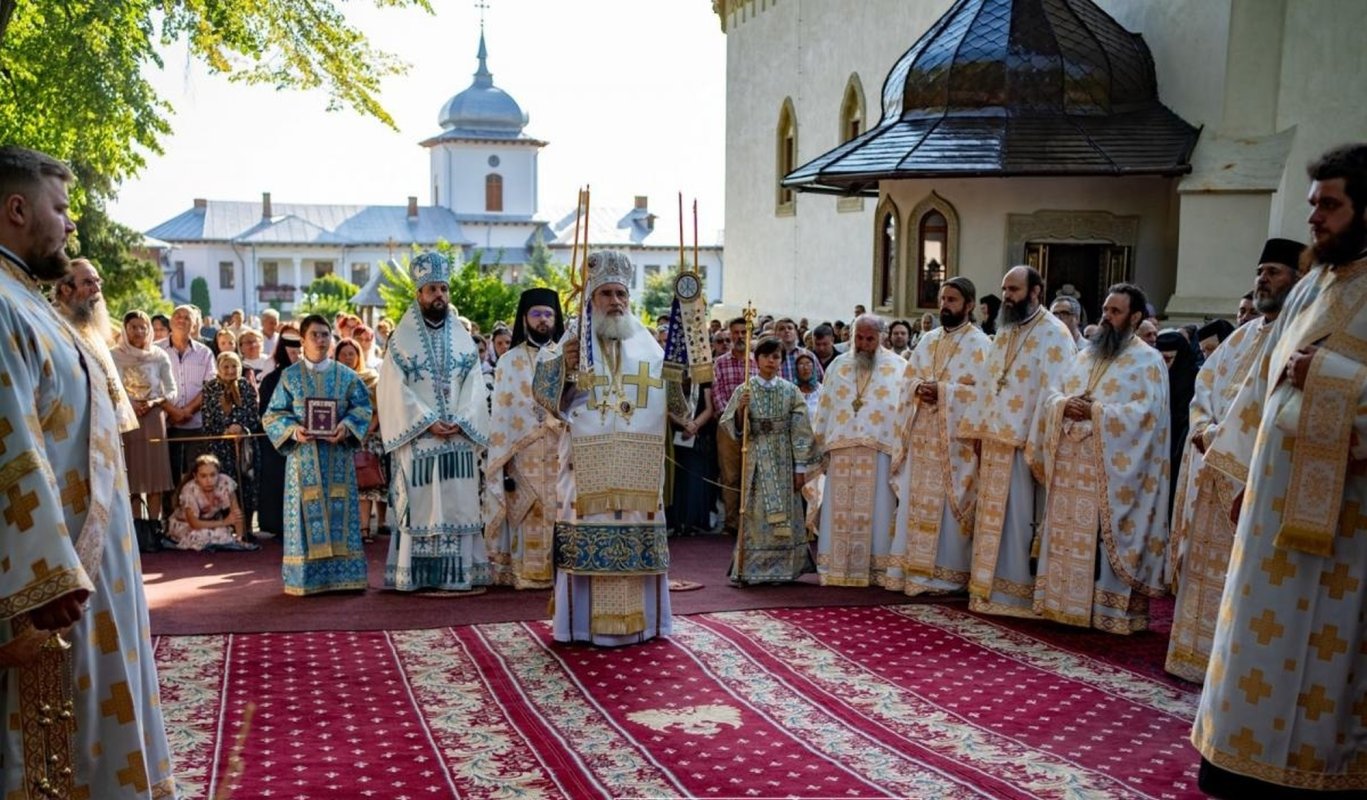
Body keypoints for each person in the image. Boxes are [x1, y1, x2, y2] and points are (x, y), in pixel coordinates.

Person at [0, 145, 175, 797]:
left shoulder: (31, 302)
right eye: (61, 207)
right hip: (56, 586)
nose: (71, 223)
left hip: (94, 570)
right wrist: (43, 572)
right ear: (17, 209)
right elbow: (10, 442)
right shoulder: (5, 305)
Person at [1193, 145, 1367, 796]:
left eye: (1330, 204)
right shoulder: (1310, 288)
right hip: (1272, 503)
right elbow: (1259, 387)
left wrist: (1331, 377)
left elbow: (1313, 379)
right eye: (1312, 203)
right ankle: (1239, 760)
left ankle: (1314, 772)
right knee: (1258, 638)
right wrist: (1241, 475)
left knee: (1326, 651)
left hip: (1347, 524)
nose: (1314, 218)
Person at [1165, 237, 1303, 684]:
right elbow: (1203, 388)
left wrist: (1219, 438)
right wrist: (1203, 429)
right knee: (1204, 567)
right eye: (1260, 272)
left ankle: (1231, 666)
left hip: (1251, 475)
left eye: (1273, 272)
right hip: (1212, 467)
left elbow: (1280, 409)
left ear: (1299, 279)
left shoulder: (1300, 335)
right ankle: (1194, 654)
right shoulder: (1244, 335)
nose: (1262, 279)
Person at [534, 250, 680, 645]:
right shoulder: (571, 344)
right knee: (584, 536)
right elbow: (543, 401)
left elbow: (678, 405)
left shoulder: (649, 348)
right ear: (591, 299)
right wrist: (562, 369)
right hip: (585, 470)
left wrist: (688, 369)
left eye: (621, 294)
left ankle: (643, 625)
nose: (615, 301)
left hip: (637, 471)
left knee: (635, 535)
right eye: (606, 294)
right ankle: (579, 626)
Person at [1034, 283, 1170, 633]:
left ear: (1135, 317)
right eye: (1106, 310)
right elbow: (1053, 394)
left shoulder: (1148, 361)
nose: (1106, 317)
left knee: (1104, 535)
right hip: (1071, 463)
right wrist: (1065, 405)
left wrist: (1097, 413)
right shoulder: (1084, 356)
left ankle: (1109, 611)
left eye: (1115, 311)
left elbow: (1148, 415)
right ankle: (1065, 603)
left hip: (1113, 468)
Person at [960, 265, 1076, 618]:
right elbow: (988, 382)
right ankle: (987, 588)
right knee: (992, 517)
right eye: (1004, 289)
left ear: (1036, 291)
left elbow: (1056, 391)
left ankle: (1017, 594)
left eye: (1013, 290)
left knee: (1019, 518)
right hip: (995, 441)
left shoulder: (1055, 334)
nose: (1006, 296)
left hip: (1026, 444)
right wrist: (978, 430)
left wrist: (1035, 439)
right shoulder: (1006, 330)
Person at [378, 251, 491, 592]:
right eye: (432, 290)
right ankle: (418, 576)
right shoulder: (400, 340)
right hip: (420, 439)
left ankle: (458, 575)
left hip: (457, 437)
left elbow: (475, 384)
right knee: (422, 506)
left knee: (457, 504)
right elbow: (392, 388)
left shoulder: (463, 339)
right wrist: (426, 421)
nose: (439, 295)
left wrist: (462, 419)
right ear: (419, 294)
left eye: (443, 289)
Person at [888, 278, 991, 595]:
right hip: (922, 437)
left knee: (948, 507)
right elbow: (907, 382)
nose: (945, 304)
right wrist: (919, 388)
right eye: (943, 298)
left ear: (969, 305)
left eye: (952, 299)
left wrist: (944, 392)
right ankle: (910, 571)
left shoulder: (981, 345)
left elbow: (984, 396)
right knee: (916, 502)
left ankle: (947, 576)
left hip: (955, 445)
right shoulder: (927, 340)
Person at [263, 314, 373, 595]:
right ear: (302, 340)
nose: (321, 340)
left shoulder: (347, 376)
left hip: (338, 458)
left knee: (341, 512)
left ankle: (344, 576)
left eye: (325, 334)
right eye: (315, 335)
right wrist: (294, 430)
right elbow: (273, 415)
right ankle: (306, 579)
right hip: (303, 459)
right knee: (304, 513)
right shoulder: (289, 377)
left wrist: (346, 427)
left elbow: (363, 408)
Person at [807, 314, 905, 587]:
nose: (863, 344)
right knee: (839, 512)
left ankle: (876, 569)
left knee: (878, 512)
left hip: (879, 451)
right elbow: (826, 406)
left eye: (869, 339)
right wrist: (819, 445)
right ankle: (836, 568)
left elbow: (903, 411)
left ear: (881, 337)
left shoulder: (899, 367)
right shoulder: (838, 365)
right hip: (841, 450)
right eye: (858, 338)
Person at [486, 287, 565, 587]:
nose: (543, 319)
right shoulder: (509, 361)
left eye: (548, 314)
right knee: (527, 509)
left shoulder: (567, 358)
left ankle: (561, 572)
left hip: (560, 448)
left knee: (561, 508)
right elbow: (503, 414)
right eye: (536, 314)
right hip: (522, 451)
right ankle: (524, 573)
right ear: (524, 318)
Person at [722, 339, 817, 583]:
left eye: (775, 356)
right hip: (756, 456)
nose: (770, 361)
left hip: (783, 456)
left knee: (786, 510)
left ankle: (785, 568)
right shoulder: (744, 390)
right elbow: (732, 427)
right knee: (756, 511)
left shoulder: (790, 390)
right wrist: (741, 411)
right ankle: (753, 568)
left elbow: (801, 429)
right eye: (765, 356)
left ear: (782, 361)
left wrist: (800, 467)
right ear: (756, 359)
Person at [51, 257, 139, 434]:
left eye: (98, 282)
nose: (97, 289)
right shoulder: (51, 326)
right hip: (70, 429)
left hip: (104, 428)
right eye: (88, 283)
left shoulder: (90, 328)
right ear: (66, 289)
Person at [112, 310, 178, 523]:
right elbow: (110, 387)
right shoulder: (113, 355)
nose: (139, 331)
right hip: (125, 418)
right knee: (131, 475)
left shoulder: (159, 355)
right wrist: (129, 404)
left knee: (154, 476)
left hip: (153, 418)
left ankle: (153, 527)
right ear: (125, 329)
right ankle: (136, 528)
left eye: (143, 327)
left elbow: (172, 391)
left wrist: (154, 402)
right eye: (134, 327)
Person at [158, 304, 217, 500]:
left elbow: (210, 386)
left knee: (197, 474)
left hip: (196, 424)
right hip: (165, 423)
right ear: (170, 321)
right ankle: (169, 516)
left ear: (194, 324)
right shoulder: (156, 350)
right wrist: (172, 411)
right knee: (168, 477)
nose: (182, 320)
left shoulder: (205, 352)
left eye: (187, 317)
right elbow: (151, 385)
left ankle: (196, 515)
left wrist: (187, 410)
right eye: (178, 316)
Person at [334, 337, 388, 544]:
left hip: (366, 439)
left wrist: (364, 431)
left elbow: (378, 410)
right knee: (343, 487)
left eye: (351, 353)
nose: (348, 358)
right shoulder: (331, 379)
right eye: (343, 354)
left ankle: (365, 528)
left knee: (366, 485)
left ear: (358, 356)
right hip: (340, 439)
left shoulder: (371, 378)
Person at [202, 350, 261, 532]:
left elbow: (254, 415)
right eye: (225, 367)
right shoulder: (210, 388)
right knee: (223, 486)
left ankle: (247, 530)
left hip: (244, 446)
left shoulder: (246, 386)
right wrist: (225, 431)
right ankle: (225, 529)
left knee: (247, 487)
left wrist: (241, 428)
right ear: (218, 368)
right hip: (220, 447)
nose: (230, 370)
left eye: (234, 366)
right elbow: (207, 419)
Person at [711, 316, 757, 536]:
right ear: (730, 334)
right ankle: (731, 522)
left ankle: (750, 522)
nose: (740, 337)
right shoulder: (720, 363)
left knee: (752, 474)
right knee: (730, 475)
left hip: (755, 426)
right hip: (727, 425)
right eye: (736, 332)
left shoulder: (757, 361)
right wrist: (728, 416)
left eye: (743, 332)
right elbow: (717, 393)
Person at [254, 325, 300, 538]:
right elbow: (266, 412)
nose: (297, 356)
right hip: (277, 441)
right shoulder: (272, 379)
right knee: (278, 482)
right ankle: (278, 525)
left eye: (299, 352)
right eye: (292, 352)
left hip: (303, 439)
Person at [165, 454, 256, 551]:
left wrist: (239, 538)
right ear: (195, 476)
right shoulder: (189, 490)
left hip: (212, 523)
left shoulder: (225, 482)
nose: (209, 480)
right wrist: (224, 522)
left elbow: (236, 513)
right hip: (186, 525)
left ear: (218, 474)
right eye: (203, 476)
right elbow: (194, 523)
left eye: (213, 475)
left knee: (222, 534)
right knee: (200, 535)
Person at [1155, 329, 1200, 510]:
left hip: (1179, 447)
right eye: (1159, 360)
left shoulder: (1194, 379)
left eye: (1167, 360)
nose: (1163, 366)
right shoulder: (1152, 375)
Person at [774, 317, 823, 382]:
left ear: (796, 333)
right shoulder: (770, 357)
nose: (786, 331)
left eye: (790, 328)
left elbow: (820, 379)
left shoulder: (808, 355)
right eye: (782, 329)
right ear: (775, 334)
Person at [793, 351, 822, 417]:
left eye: (808, 363)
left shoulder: (822, 390)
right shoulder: (792, 392)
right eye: (801, 364)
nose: (805, 368)